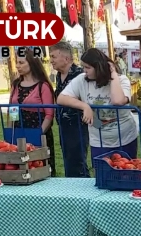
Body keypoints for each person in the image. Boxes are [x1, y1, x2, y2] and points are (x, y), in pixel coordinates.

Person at [57, 49, 138, 158]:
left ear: (99, 67)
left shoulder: (121, 80)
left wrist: (113, 73)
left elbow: (118, 101)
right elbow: (61, 98)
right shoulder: (82, 80)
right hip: (98, 140)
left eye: (88, 67)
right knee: (101, 172)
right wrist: (84, 106)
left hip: (125, 137)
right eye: (83, 67)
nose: (84, 70)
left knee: (125, 172)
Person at [9, 49, 56, 175]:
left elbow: (49, 114)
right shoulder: (16, 84)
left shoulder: (43, 86)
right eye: (17, 62)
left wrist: (38, 134)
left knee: (39, 168)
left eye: (21, 62)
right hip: (19, 132)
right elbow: (12, 109)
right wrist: (10, 132)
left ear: (31, 63)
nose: (18, 66)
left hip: (38, 132)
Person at [51, 42, 89, 178]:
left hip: (78, 125)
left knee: (78, 162)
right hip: (63, 125)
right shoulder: (58, 76)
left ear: (66, 58)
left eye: (54, 57)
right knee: (68, 161)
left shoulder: (80, 75)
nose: (51, 60)